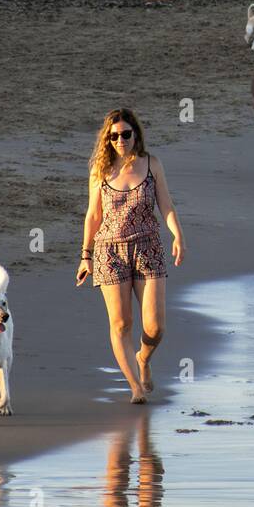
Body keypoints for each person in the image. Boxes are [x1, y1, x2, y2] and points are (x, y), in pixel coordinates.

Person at [76, 109, 185, 403]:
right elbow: (93, 215)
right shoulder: (100, 172)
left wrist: (177, 234)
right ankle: (135, 386)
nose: (120, 140)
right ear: (107, 139)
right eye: (114, 136)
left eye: (125, 134)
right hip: (109, 251)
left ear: (135, 134)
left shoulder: (152, 164)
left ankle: (144, 358)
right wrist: (85, 255)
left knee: (155, 327)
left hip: (148, 246)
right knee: (121, 324)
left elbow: (166, 205)